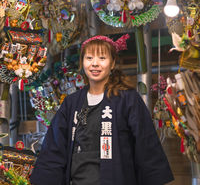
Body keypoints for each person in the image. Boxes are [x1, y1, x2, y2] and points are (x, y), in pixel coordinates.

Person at [30, 34, 174, 185]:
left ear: (112, 64)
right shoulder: (71, 103)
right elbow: (54, 147)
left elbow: (146, 144)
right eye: (89, 58)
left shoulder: (128, 99)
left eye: (102, 58)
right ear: (82, 63)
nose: (95, 64)